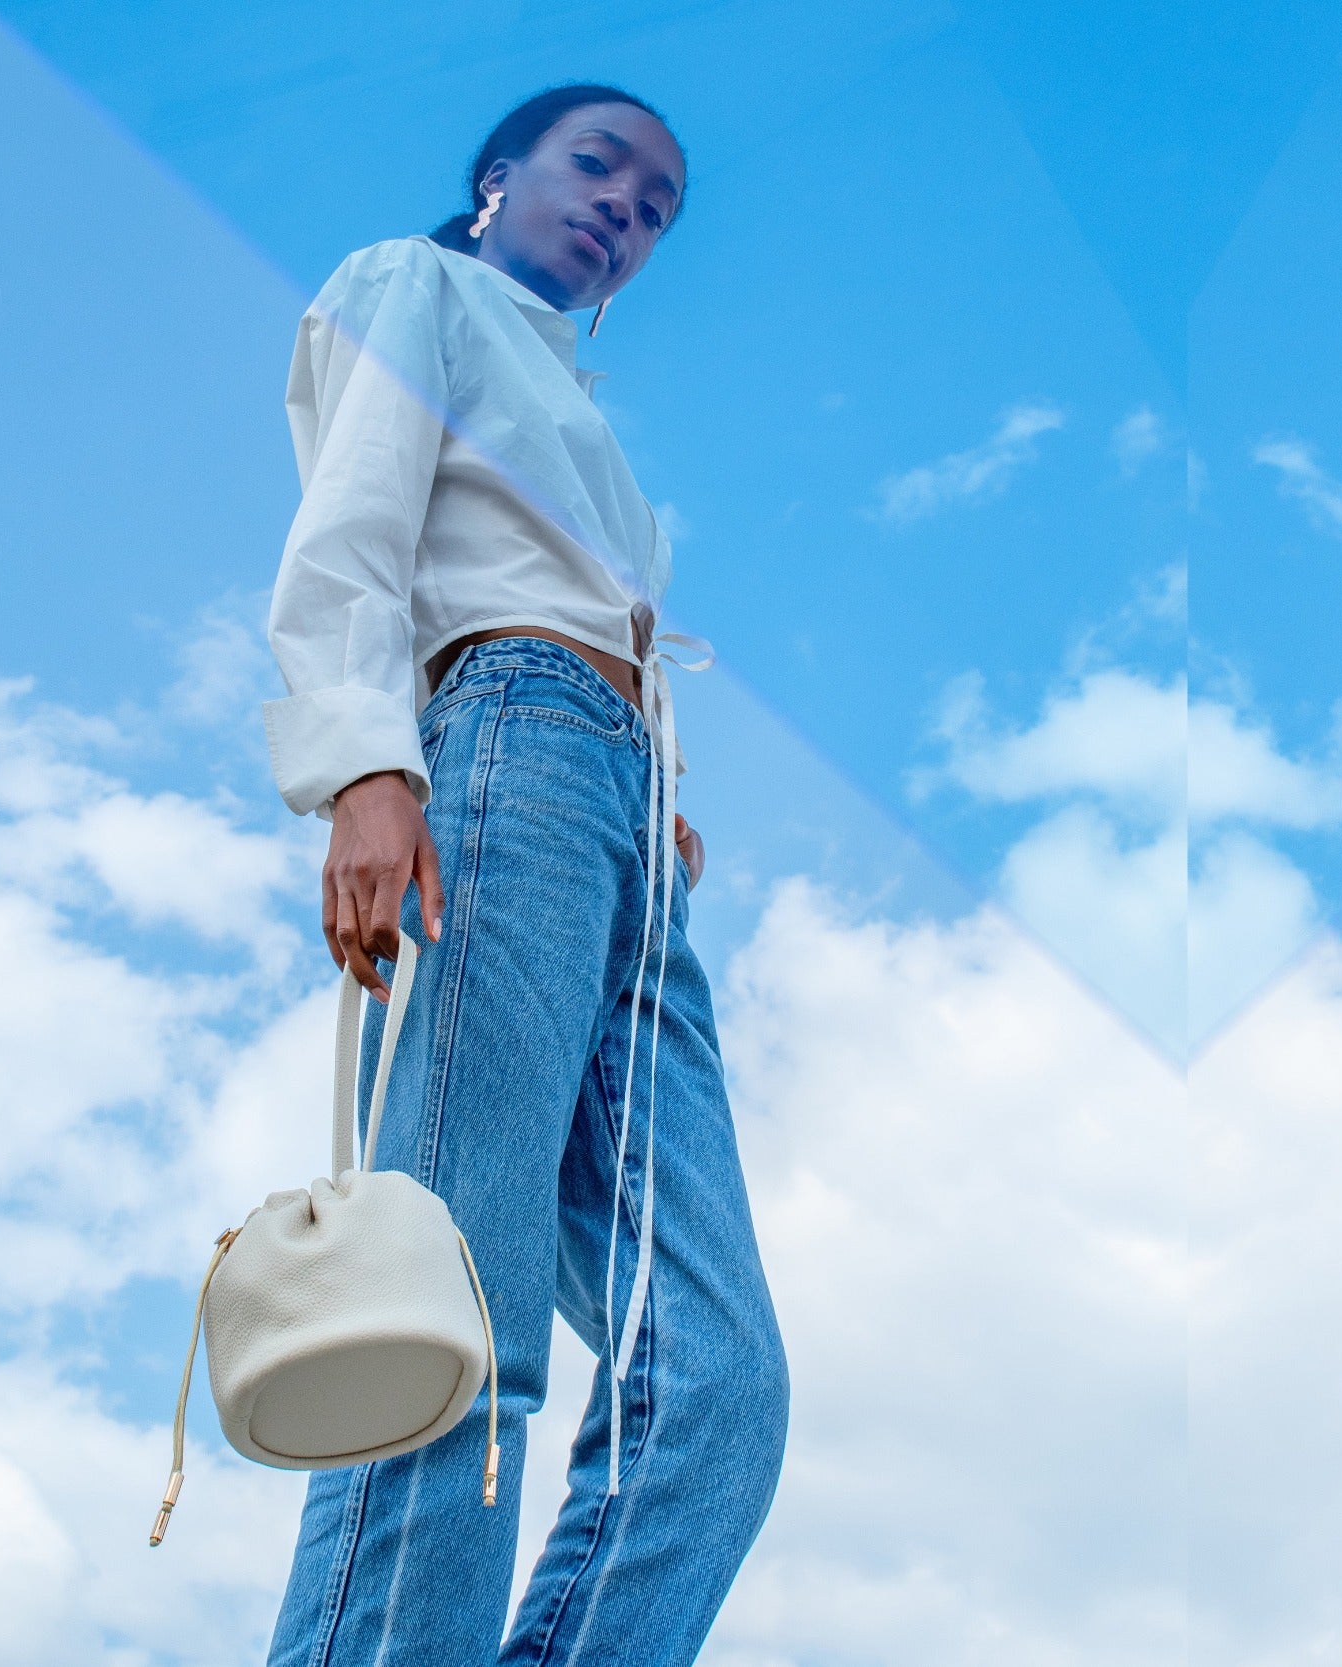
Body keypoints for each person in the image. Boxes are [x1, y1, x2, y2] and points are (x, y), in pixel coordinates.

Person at [261, 83, 788, 1664]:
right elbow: (352, 532)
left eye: (660, 200)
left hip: (622, 813)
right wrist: (368, 765)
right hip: (504, 751)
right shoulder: (412, 287)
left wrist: (656, 791)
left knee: (718, 1382)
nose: (630, 201)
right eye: (600, 163)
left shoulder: (571, 407)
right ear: (500, 178)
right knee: (456, 1313)